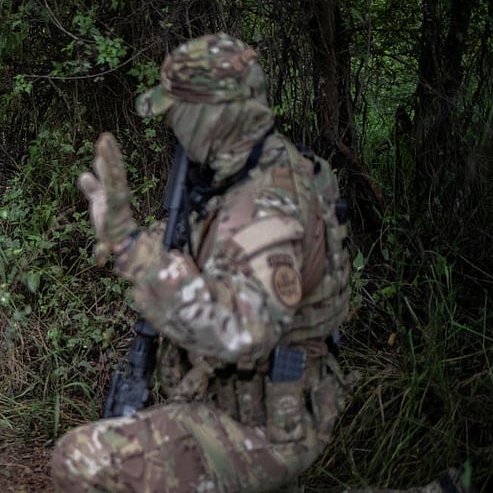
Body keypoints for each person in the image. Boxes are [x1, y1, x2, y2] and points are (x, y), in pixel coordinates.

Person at [51, 33, 471, 493]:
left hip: (269, 421)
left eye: (178, 111)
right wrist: (131, 240)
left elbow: (239, 332)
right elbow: (213, 258)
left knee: (84, 460)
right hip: (237, 397)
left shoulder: (271, 203)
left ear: (210, 117)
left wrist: (131, 248)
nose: (172, 123)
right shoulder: (242, 174)